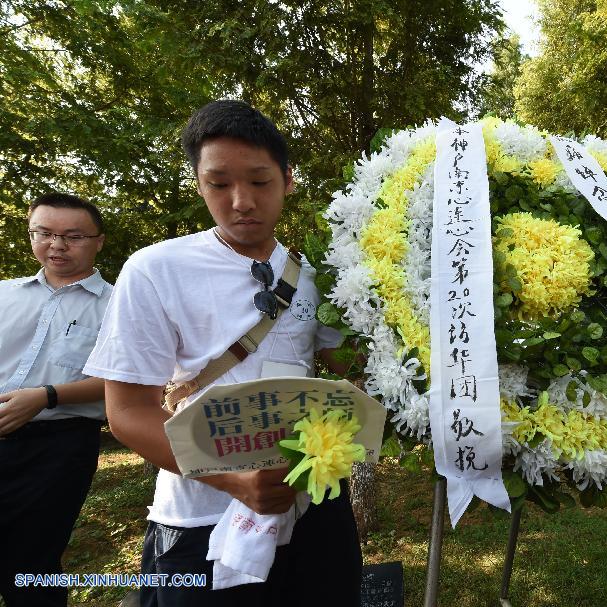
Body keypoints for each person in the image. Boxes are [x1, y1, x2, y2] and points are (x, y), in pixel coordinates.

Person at [83, 100, 361, 606]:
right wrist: (233, 480)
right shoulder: (155, 269)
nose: (242, 202)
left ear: (288, 180)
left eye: (259, 181)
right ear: (198, 183)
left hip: (313, 508)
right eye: (219, 184)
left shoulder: (317, 275)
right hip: (200, 521)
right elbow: (126, 412)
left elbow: (353, 377)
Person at [0, 192, 112, 607]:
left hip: (58, 447)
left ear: (98, 240)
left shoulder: (118, 305)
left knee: (32, 563)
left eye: (73, 236)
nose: (57, 244)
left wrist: (46, 396)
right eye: (44, 233)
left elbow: (127, 380)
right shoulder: (4, 294)